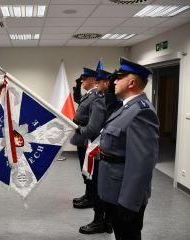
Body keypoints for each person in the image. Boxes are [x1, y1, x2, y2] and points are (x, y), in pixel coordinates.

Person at [98, 57, 159, 240]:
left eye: (119, 77)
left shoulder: (141, 111)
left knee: (128, 236)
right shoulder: (126, 107)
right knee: (121, 233)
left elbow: (142, 163)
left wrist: (129, 201)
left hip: (125, 195)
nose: (114, 81)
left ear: (132, 82)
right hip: (114, 187)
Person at [78, 69, 113, 235]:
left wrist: (80, 130)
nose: (97, 85)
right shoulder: (116, 101)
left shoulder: (100, 101)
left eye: (99, 82)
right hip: (111, 149)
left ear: (105, 83)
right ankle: (108, 222)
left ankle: (99, 221)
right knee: (107, 187)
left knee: (100, 187)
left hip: (99, 149)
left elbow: (92, 128)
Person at [70, 67, 100, 209]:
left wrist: (81, 129)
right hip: (81, 136)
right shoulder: (89, 94)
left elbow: (93, 120)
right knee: (85, 169)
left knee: (88, 169)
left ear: (93, 80)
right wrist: (77, 86)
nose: (82, 81)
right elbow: (78, 99)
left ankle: (91, 197)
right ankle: (88, 194)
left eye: (84, 78)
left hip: (87, 137)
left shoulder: (95, 96)